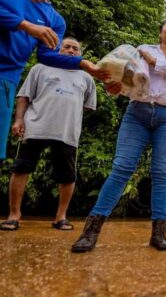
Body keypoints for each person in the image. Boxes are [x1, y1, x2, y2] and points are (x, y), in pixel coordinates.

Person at [71, 18, 166, 252]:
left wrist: (155, 62)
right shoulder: (142, 49)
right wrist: (116, 86)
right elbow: (127, 77)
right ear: (160, 32)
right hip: (137, 113)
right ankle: (90, 232)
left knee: (161, 172)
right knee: (122, 168)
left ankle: (159, 235)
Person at [0, 0, 106, 161]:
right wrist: (26, 25)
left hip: (6, 82)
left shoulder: (55, 20)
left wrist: (84, 64)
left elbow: (46, 56)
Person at [0, 38, 96, 231]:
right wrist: (18, 120)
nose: (70, 50)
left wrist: (67, 114)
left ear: (80, 54)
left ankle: (61, 217)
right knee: (21, 168)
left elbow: (88, 107)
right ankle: (14, 215)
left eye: (75, 48)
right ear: (57, 50)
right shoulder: (40, 68)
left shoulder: (86, 77)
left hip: (67, 132)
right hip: (35, 127)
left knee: (68, 176)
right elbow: (24, 96)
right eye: (66, 47)